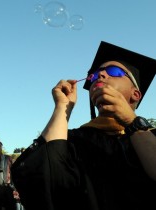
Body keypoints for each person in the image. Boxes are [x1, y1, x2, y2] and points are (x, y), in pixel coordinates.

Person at [11, 41, 156, 210]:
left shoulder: (150, 136)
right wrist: (62, 106)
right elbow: (41, 179)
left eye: (113, 72)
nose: (100, 75)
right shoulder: (74, 139)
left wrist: (132, 122)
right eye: (95, 75)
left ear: (135, 94)